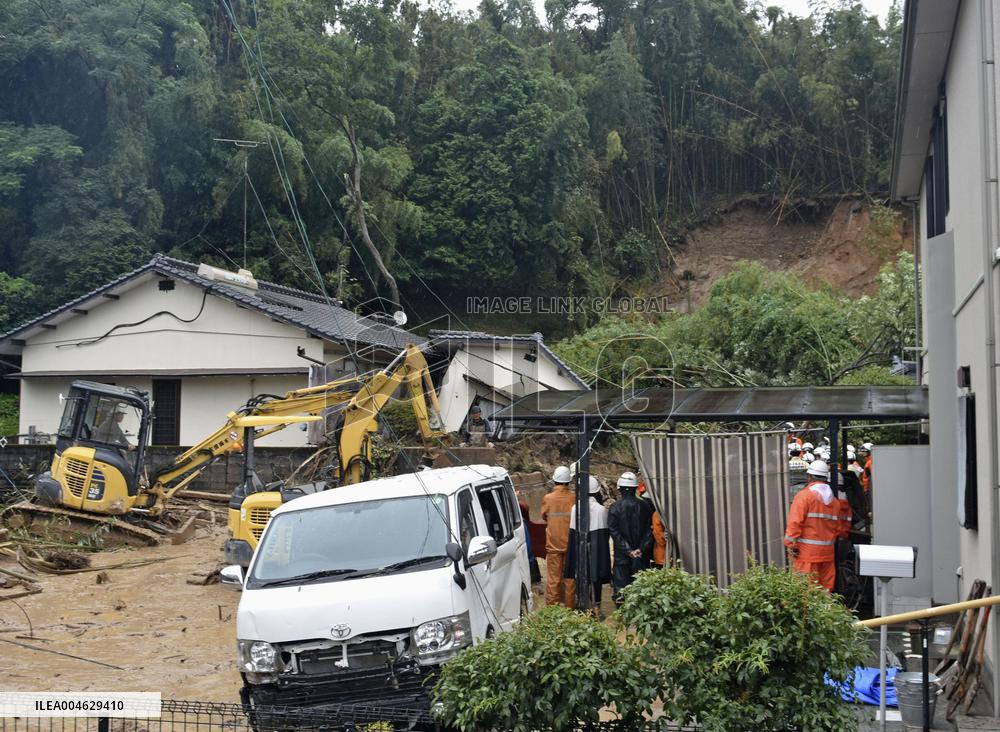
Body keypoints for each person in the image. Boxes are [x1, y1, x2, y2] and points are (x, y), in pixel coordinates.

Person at [783, 460, 841, 592]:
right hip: (827, 555)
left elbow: (794, 523)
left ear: (809, 477)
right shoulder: (835, 502)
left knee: (804, 594)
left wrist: (790, 545)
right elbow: (837, 528)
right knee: (825, 593)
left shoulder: (804, 497)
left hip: (806, 555)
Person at [564, 476, 612, 614]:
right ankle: (596, 605)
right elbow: (605, 534)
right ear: (596, 491)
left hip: (579, 544)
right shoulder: (601, 509)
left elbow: (572, 533)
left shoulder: (575, 508)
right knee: (596, 575)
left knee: (581, 574)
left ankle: (583, 604)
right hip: (597, 545)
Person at [608, 471, 653, 603]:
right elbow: (649, 531)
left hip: (622, 557)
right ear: (635, 488)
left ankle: (622, 621)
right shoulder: (645, 506)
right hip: (642, 556)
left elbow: (614, 532)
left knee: (622, 592)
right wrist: (640, 549)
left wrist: (628, 551)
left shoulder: (615, 507)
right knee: (641, 591)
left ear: (620, 489)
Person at [541, 466, 575, 607]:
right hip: (571, 545)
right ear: (569, 481)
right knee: (570, 579)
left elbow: (544, 517)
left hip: (553, 545)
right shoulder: (574, 498)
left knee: (554, 579)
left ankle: (552, 611)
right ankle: (570, 609)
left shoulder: (547, 498)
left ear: (554, 480)